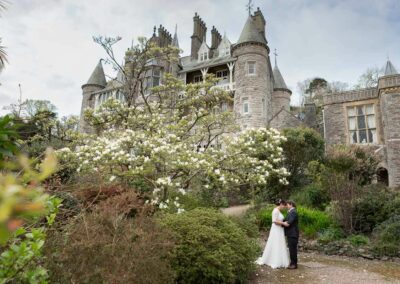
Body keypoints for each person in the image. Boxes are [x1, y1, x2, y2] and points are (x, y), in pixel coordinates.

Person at [256, 199, 290, 268]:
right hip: (276, 229)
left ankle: (280, 259)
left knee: (280, 243)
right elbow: (274, 221)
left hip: (280, 229)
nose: (284, 207)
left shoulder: (278, 211)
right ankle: (274, 260)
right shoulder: (275, 210)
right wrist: (283, 223)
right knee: (276, 243)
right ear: (281, 204)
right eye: (284, 206)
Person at [282, 200, 299, 269]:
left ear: (291, 204)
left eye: (287, 205)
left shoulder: (293, 212)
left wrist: (280, 223)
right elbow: (285, 221)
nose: (286, 206)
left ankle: (294, 264)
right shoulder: (291, 212)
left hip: (293, 233)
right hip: (291, 233)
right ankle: (293, 263)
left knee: (292, 249)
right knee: (291, 249)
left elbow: (289, 223)